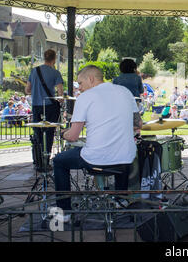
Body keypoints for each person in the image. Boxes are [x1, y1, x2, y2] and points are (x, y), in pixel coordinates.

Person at [53, 65, 139, 219]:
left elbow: (73, 136)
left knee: (59, 161)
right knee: (122, 151)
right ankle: (121, 199)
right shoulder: (125, 92)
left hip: (97, 160)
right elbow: (138, 125)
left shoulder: (85, 97)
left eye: (80, 83)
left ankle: (64, 212)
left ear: (91, 79)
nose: (79, 88)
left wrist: (63, 133)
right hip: (126, 159)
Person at [25, 49, 64, 156]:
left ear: (44, 58)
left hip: (36, 106)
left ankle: (37, 158)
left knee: (37, 132)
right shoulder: (55, 73)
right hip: (50, 106)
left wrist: (37, 90)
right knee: (49, 132)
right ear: (54, 59)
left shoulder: (34, 71)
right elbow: (61, 95)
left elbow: (27, 90)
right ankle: (47, 157)